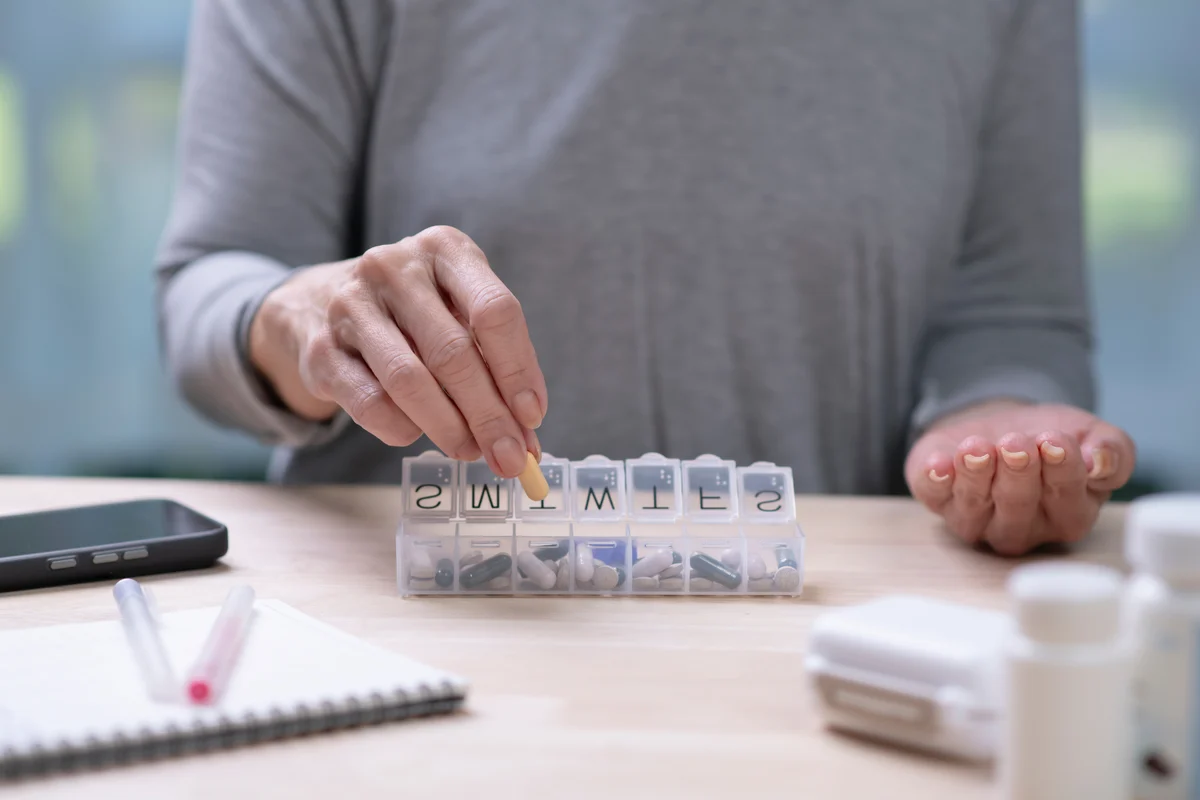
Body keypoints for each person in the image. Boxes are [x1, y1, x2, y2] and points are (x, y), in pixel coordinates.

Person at [155, 0, 1135, 556]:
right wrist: (306, 320)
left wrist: (997, 424)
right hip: (419, 631)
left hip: (817, 640)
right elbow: (210, 286)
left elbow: (1015, 311)